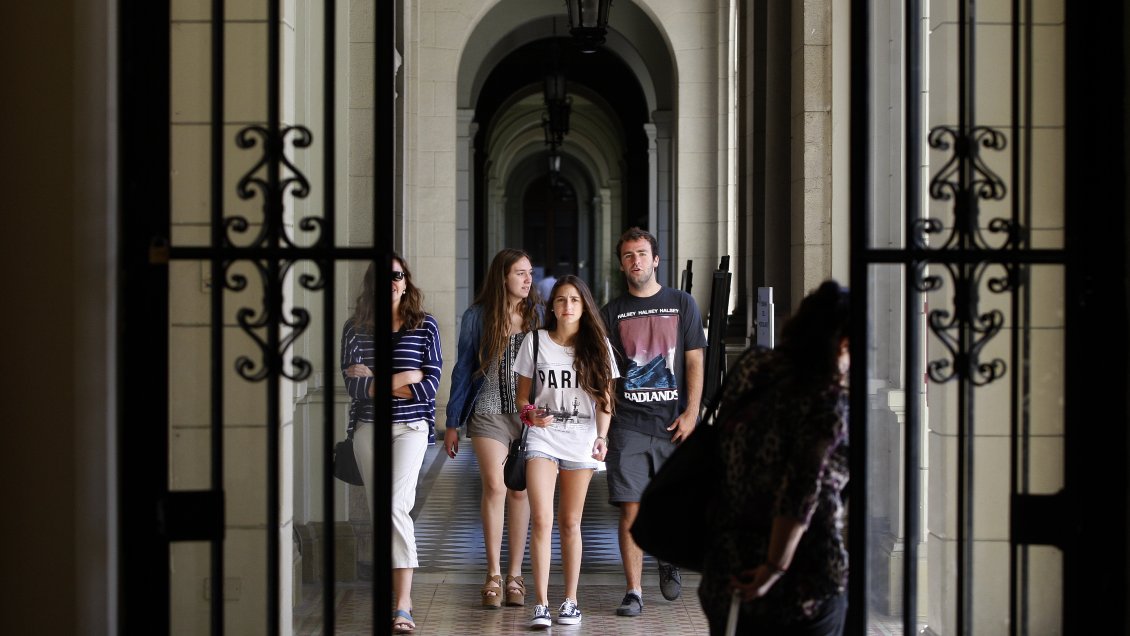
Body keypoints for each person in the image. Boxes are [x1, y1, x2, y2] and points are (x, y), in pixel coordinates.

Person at [698, 280, 851, 635]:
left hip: (728, 562)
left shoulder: (755, 367)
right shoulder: (826, 399)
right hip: (800, 580)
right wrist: (774, 566)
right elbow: (801, 488)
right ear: (843, 342)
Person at [600, 226, 707, 616]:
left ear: (656, 259)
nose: (636, 261)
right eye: (628, 256)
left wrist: (692, 413)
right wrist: (604, 426)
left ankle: (667, 556)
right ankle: (633, 592)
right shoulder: (612, 312)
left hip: (673, 423)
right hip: (628, 424)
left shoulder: (682, 303)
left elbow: (694, 358)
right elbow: (607, 373)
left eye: (642, 254)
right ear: (622, 264)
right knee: (631, 507)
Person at [341, 256, 442, 634]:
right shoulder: (355, 329)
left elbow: (429, 385)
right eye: (385, 278)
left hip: (413, 428)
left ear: (406, 281)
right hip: (369, 428)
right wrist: (403, 377)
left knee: (395, 505)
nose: (393, 283)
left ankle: (403, 602)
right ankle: (398, 597)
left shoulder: (426, 325)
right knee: (382, 509)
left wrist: (376, 378)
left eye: (398, 276)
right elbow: (353, 386)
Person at [513, 275, 619, 629]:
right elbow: (523, 398)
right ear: (552, 306)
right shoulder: (536, 341)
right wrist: (529, 415)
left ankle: (570, 601)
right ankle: (541, 603)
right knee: (541, 519)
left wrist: (602, 437)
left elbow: (605, 401)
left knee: (570, 522)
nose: (567, 306)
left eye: (574, 300)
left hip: (581, 439)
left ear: (584, 305)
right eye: (560, 300)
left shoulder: (598, 345)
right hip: (543, 438)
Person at [442, 248, 542, 608]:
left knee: (520, 491)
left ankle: (516, 576)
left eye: (529, 272)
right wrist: (452, 422)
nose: (528, 279)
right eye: (520, 273)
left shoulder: (539, 315)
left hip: (529, 415)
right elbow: (463, 367)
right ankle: (493, 574)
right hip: (487, 410)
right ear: (503, 277)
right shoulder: (478, 316)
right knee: (496, 486)